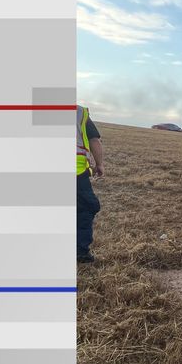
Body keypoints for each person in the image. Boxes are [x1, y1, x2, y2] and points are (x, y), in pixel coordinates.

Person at [77, 105, 104, 263]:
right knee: (87, 207)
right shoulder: (79, 112)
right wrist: (99, 164)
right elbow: (94, 139)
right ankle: (81, 252)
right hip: (76, 173)